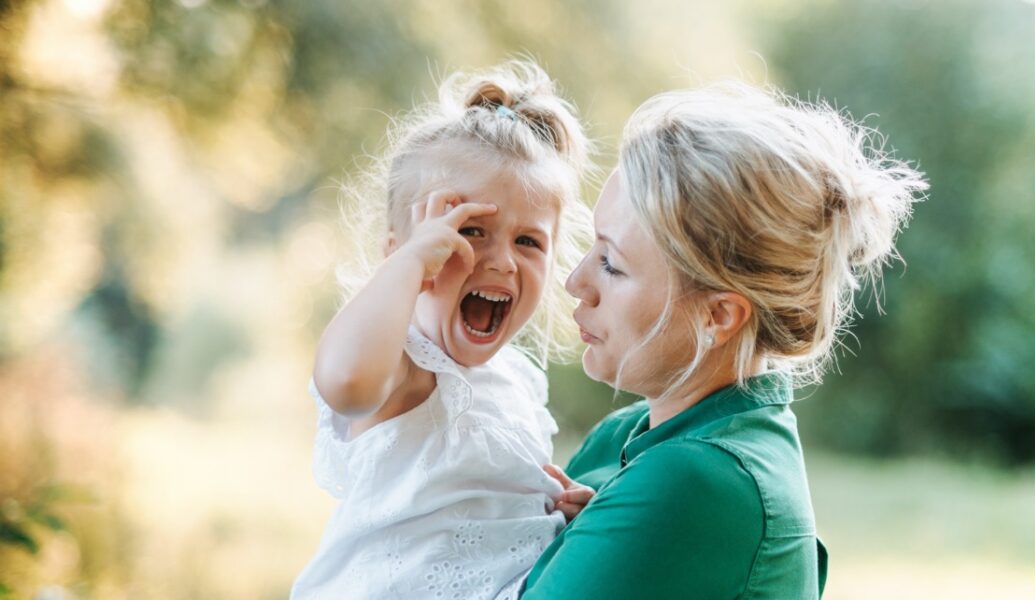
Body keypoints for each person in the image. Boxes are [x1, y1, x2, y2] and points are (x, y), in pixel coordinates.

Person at [522, 81, 927, 598]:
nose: (575, 281)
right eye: (591, 246)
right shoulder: (628, 433)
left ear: (719, 314)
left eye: (611, 265)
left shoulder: (697, 481)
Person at [291, 60, 592, 599]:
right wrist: (409, 267)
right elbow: (346, 383)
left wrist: (558, 514)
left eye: (529, 242)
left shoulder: (519, 383)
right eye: (470, 231)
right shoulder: (403, 368)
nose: (501, 261)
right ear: (397, 249)